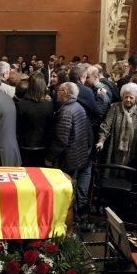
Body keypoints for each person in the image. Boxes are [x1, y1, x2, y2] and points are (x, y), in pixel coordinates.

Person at [47, 82, 92, 222]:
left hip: (68, 159)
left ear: (65, 92)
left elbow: (61, 140)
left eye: (59, 90)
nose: (56, 93)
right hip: (79, 156)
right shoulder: (78, 106)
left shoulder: (66, 111)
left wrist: (50, 157)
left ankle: (65, 221)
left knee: (66, 194)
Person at [95, 82, 137, 169]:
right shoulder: (115, 108)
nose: (128, 99)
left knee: (129, 171)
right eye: (126, 97)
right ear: (122, 97)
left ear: (136, 98)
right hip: (115, 146)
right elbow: (106, 125)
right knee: (113, 170)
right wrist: (101, 140)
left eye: (131, 97)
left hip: (133, 147)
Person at [16, 72, 54, 166]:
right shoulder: (49, 105)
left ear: (29, 85)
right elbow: (51, 128)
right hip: (43, 146)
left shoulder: (21, 104)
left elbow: (17, 127)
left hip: (24, 145)